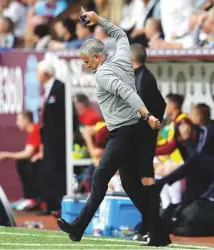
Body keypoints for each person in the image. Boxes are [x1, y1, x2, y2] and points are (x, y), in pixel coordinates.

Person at [56, 11, 171, 247]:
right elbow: (120, 34)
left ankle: (78, 227)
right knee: (132, 186)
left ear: (98, 57)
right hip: (132, 132)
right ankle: (160, 233)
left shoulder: (104, 75)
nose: (86, 67)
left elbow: (127, 93)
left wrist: (147, 115)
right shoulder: (121, 57)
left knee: (100, 176)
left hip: (123, 133)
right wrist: (99, 21)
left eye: (88, 62)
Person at [130, 43, 166, 236]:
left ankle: (151, 223)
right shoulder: (142, 76)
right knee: (140, 178)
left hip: (141, 138)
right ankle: (148, 221)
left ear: (132, 59)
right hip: (143, 137)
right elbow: (161, 103)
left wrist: (147, 130)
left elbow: (140, 109)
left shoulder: (143, 79)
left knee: (145, 178)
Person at [36, 59, 79, 216]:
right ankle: (51, 204)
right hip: (48, 139)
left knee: (60, 171)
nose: (36, 75)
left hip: (60, 140)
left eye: (38, 72)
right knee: (48, 171)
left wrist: (71, 135)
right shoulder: (47, 90)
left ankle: (62, 205)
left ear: (46, 73)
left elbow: (71, 114)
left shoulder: (60, 88)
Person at [0, 110, 43, 211]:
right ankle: (27, 197)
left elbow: (28, 153)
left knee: (25, 163)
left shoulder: (35, 129)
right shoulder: (32, 131)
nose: (17, 123)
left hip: (41, 163)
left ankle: (32, 198)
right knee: (21, 163)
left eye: (18, 120)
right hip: (35, 161)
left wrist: (7, 155)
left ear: (26, 120)